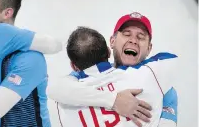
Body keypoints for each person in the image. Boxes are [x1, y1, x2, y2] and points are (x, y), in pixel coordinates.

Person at [47, 13, 178, 127]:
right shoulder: (156, 77)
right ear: (112, 42)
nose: (133, 40)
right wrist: (114, 100)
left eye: (140, 37)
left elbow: (54, 89)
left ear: (149, 48)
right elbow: (56, 89)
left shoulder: (159, 83)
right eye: (127, 34)